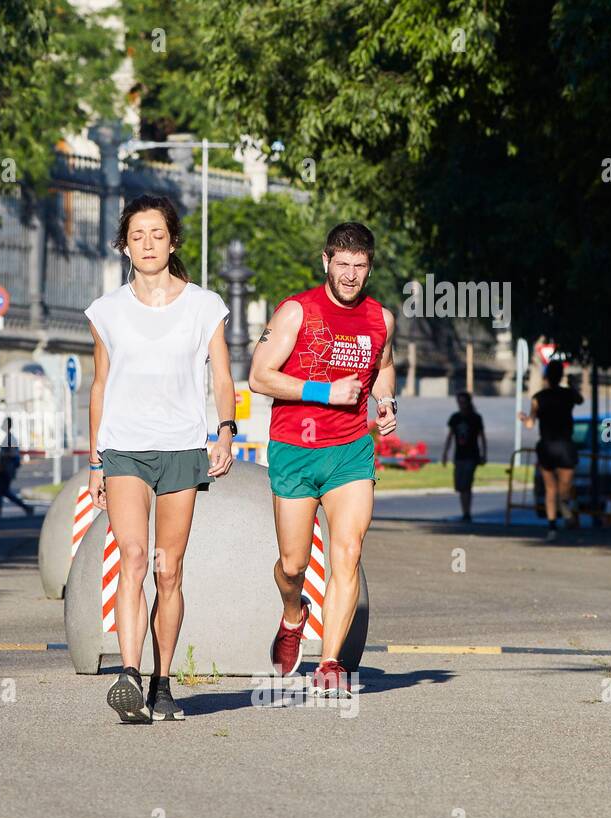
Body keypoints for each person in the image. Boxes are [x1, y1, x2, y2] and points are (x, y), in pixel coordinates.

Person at [87, 194, 235, 723]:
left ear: (173, 241)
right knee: (131, 556)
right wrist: (95, 459)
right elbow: (100, 386)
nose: (147, 245)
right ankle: (128, 674)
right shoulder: (106, 312)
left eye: (157, 235)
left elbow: (221, 377)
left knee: (168, 568)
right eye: (137, 236)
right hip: (124, 446)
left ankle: (162, 683)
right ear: (125, 247)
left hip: (182, 445)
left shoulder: (204, 305)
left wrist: (224, 430)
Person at [249, 222, 397, 698]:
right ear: (326, 262)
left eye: (360, 266)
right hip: (294, 450)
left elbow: (384, 367)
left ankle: (329, 662)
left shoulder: (381, 320)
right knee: (293, 567)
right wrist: (325, 390)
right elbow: (258, 377)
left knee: (347, 553)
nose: (351, 275)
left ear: (369, 268)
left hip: (350, 451)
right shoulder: (296, 312)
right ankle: (294, 614)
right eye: (343, 264)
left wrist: (386, 401)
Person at [520, 359, 583, 541]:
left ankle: (552, 526)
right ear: (560, 376)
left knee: (550, 489)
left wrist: (524, 419)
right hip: (565, 444)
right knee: (565, 487)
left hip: (546, 445)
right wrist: (572, 387)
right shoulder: (568, 395)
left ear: (546, 377)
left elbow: (531, 424)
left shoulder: (538, 398)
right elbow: (580, 400)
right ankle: (565, 508)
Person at [441, 391, 486, 521]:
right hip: (459, 455)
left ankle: (467, 513)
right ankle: (465, 512)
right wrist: (445, 453)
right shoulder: (455, 418)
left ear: (468, 402)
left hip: (472, 455)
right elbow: (450, 437)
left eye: (463, 401)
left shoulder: (476, 418)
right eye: (459, 402)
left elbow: (482, 437)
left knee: (466, 485)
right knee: (460, 486)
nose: (461, 404)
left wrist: (484, 453)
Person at [0, 417, 33, 518]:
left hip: (7, 469)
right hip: (6, 468)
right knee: (3, 491)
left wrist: (0, 455)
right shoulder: (8, 438)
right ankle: (26, 508)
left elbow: (13, 454)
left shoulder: (10, 439)